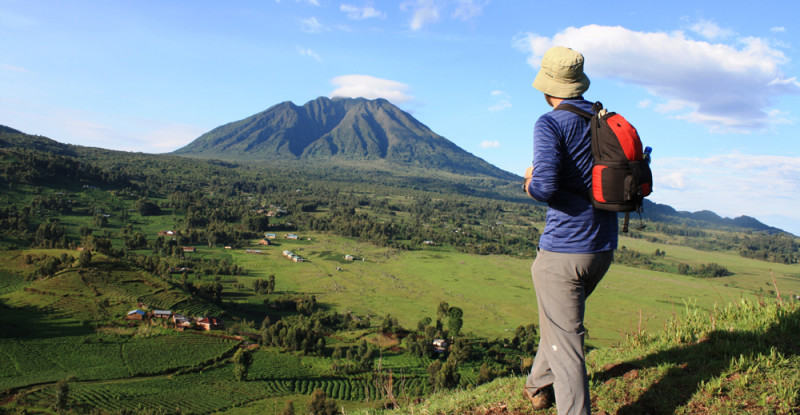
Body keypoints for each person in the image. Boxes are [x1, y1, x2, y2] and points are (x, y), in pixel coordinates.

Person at [521, 46, 618, 414]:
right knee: (559, 326)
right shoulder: (604, 119)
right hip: (602, 248)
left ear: (548, 87)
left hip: (564, 251)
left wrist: (529, 182)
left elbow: (545, 186)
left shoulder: (551, 123)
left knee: (566, 344)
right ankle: (536, 387)